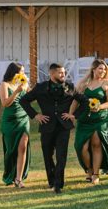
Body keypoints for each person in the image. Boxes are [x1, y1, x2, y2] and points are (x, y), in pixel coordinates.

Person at [20, 62, 75, 193]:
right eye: (60, 72)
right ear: (51, 73)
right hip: (46, 126)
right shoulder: (40, 87)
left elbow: (83, 100)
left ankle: (58, 184)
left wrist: (73, 115)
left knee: (61, 155)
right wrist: (35, 115)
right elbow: (23, 101)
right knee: (47, 155)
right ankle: (51, 181)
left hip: (63, 127)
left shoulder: (70, 86)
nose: (64, 74)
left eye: (64, 72)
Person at [68, 58, 108, 184]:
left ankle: (95, 173)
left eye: (105, 69)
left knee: (96, 144)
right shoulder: (84, 83)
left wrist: (100, 106)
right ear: (94, 69)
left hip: (100, 118)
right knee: (81, 146)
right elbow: (76, 100)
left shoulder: (107, 83)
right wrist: (71, 114)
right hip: (84, 119)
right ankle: (88, 168)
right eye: (100, 68)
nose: (103, 71)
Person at [0, 61, 31, 187]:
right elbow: (5, 103)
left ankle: (18, 179)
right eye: (20, 71)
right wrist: (17, 91)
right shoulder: (4, 85)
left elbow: (32, 95)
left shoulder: (24, 84)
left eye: (23, 71)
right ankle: (9, 175)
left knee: (22, 148)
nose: (23, 73)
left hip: (23, 119)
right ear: (13, 73)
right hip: (9, 121)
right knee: (11, 151)